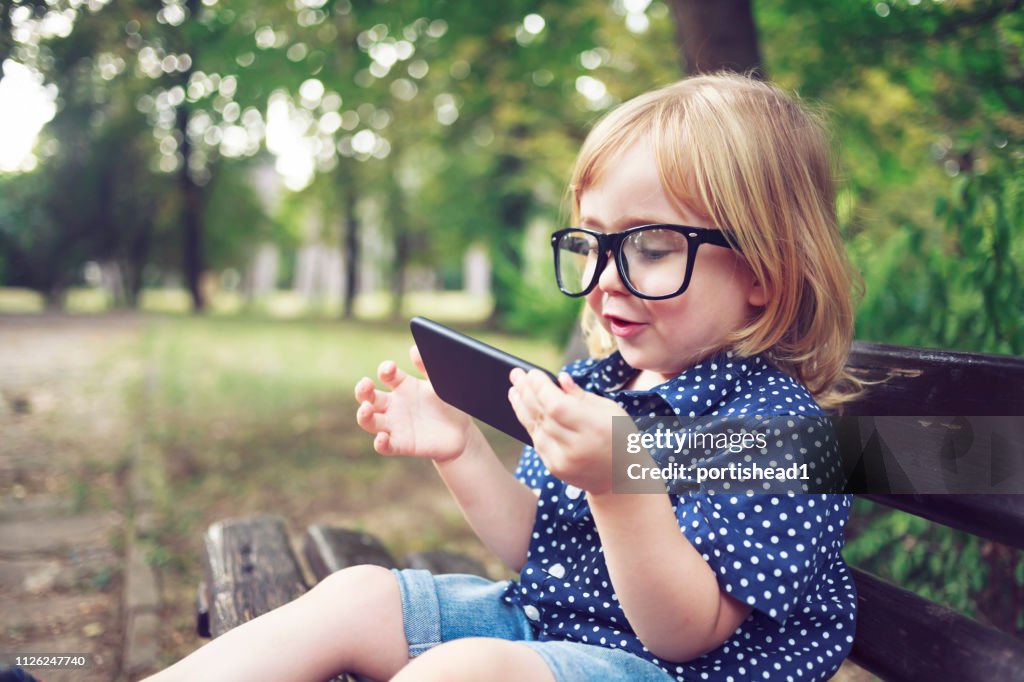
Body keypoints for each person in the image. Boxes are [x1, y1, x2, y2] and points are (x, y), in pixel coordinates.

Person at [143, 72, 861, 682]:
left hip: (670, 670)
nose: (604, 277)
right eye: (590, 243)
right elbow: (539, 549)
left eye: (648, 247)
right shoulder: (600, 387)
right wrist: (461, 450)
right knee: (359, 594)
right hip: (554, 631)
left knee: (471, 672)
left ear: (765, 272)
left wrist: (619, 485)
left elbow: (685, 632)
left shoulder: (780, 436)